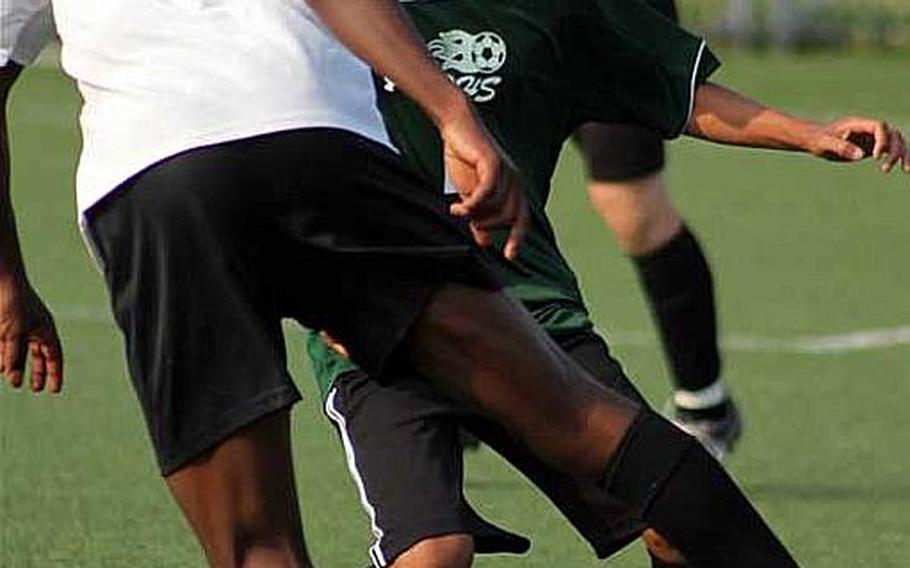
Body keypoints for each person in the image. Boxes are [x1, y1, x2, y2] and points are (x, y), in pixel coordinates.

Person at [1, 0, 860, 566]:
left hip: (150, 184)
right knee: (576, 431)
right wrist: (453, 113)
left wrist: (7, 277)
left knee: (255, 542)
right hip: (315, 141)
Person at [307, 0, 909, 566]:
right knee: (435, 553)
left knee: (676, 520)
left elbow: (675, 89)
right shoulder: (331, 17)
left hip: (526, 312)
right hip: (377, 326)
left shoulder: (552, 11)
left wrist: (810, 133)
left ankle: (705, 403)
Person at [575, 0, 740, 459]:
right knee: (462, 187)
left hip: (605, 25)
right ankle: (460, 391)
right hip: (487, 21)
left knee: (634, 212)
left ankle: (705, 403)